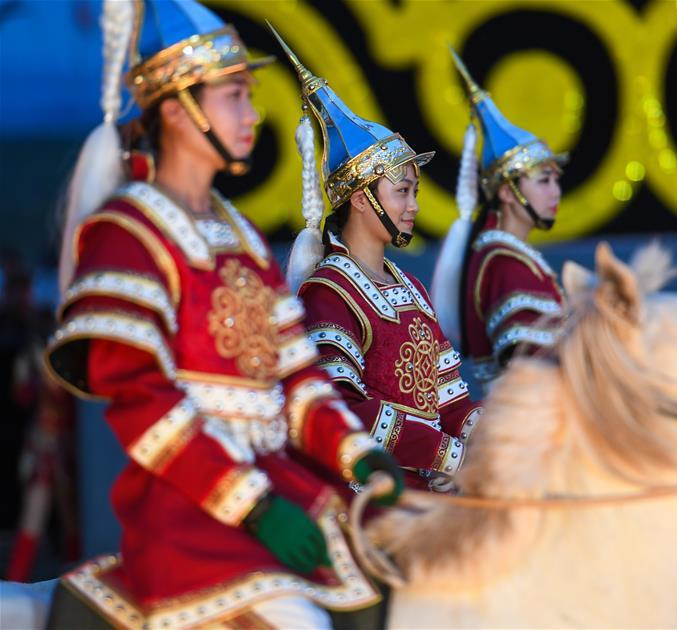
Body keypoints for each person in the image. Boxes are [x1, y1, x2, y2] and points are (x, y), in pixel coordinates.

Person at [43, 1, 402, 627]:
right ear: (180, 113)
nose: (253, 114)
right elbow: (143, 404)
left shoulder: (242, 236)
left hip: (284, 491)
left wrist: (355, 452)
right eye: (235, 95)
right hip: (190, 512)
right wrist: (253, 506)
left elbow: (297, 380)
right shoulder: (127, 235)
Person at [271, 29, 483, 493]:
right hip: (372, 499)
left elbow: (451, 398)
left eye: (415, 192)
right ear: (362, 200)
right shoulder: (328, 293)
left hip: (433, 491)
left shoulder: (411, 287)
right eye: (402, 191)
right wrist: (449, 455)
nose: (414, 206)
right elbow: (343, 409)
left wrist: (492, 440)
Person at [431, 49, 567, 389]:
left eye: (556, 180)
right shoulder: (505, 265)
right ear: (507, 193)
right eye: (543, 181)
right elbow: (532, 368)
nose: (556, 192)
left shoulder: (506, 256)